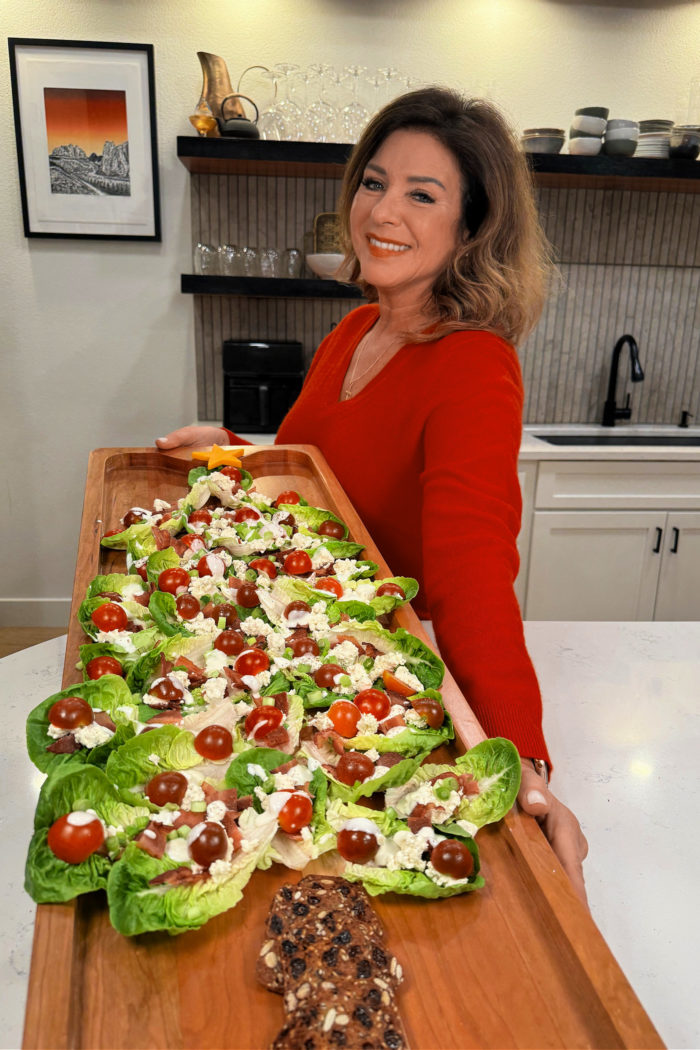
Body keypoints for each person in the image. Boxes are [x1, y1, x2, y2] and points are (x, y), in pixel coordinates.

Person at [157, 87, 589, 903]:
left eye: (422, 195)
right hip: (304, 638)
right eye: (374, 182)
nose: (383, 211)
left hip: (385, 670)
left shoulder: (473, 364)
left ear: (471, 227)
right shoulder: (361, 326)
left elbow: (472, 573)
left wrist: (524, 764)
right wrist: (235, 447)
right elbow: (313, 465)